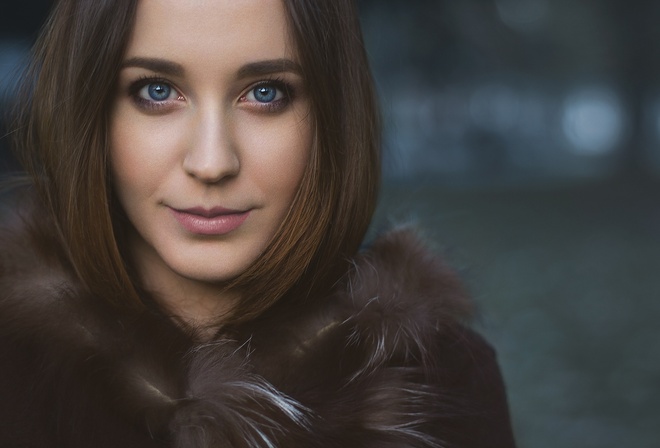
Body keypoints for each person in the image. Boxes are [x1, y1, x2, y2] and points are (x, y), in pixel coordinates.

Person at [0, 0, 517, 446]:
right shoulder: (15, 373)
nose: (212, 162)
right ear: (90, 112)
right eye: (157, 91)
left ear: (332, 118)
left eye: (265, 93)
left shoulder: (444, 382)